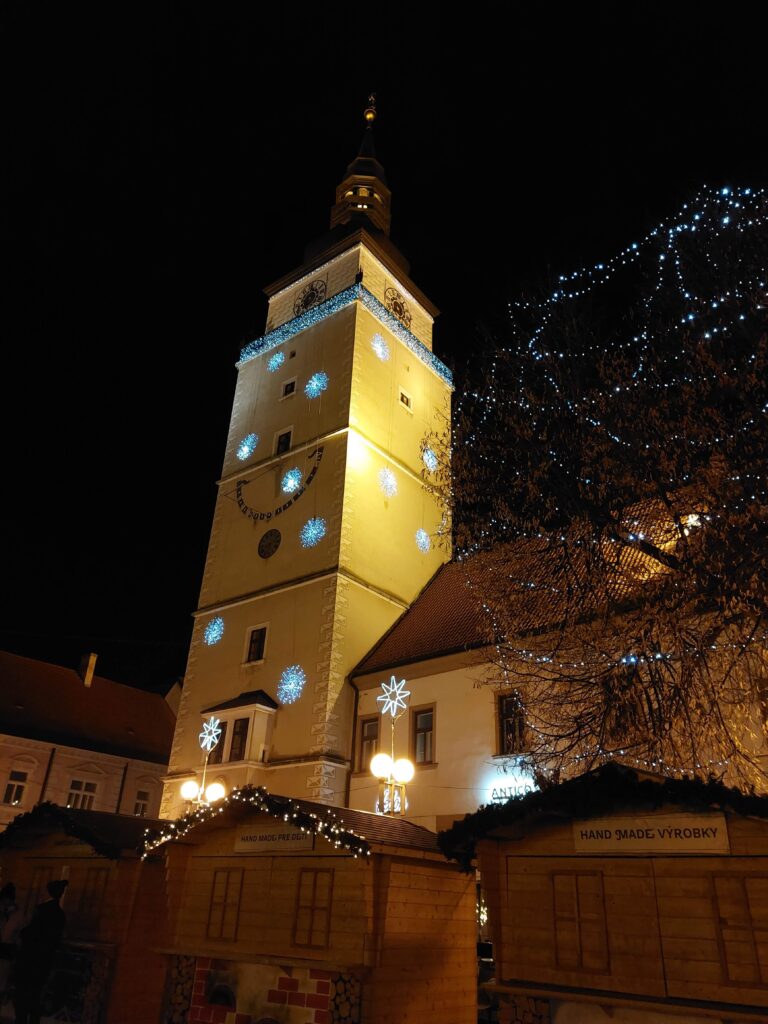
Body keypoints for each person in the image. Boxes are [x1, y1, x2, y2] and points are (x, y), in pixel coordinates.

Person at [11, 878, 68, 1024]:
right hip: (43, 962)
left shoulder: (43, 911)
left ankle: (21, 1019)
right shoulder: (59, 914)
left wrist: (23, 934)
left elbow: (32, 933)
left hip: (30, 960)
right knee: (36, 995)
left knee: (22, 994)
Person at [0, 882, 24, 1002]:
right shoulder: (5, 912)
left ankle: (2, 994)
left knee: (4, 974)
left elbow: (19, 931)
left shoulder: (16, 914)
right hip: (7, 946)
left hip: (7, 947)